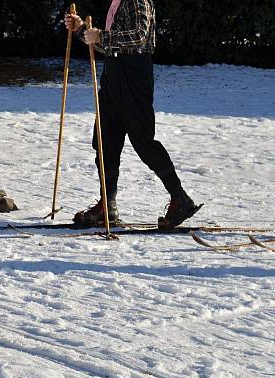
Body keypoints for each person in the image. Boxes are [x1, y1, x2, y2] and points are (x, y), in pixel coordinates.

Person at [64, 0, 202, 228]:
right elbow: (111, 44)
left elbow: (139, 35)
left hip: (134, 78)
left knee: (143, 142)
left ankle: (181, 199)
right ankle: (107, 205)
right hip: (114, 78)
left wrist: (101, 37)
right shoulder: (117, 2)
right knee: (104, 140)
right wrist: (81, 30)